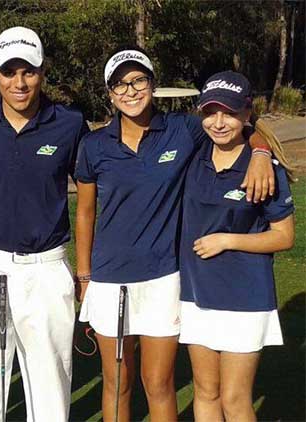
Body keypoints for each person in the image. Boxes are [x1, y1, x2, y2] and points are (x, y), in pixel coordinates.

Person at [74, 47, 275, 422]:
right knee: (117, 383)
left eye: (138, 81)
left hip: (164, 277)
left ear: (152, 84)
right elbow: (85, 212)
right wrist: (84, 275)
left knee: (159, 383)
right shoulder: (95, 145)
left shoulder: (183, 130)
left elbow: (236, 122)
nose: (130, 91)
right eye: (120, 84)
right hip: (107, 279)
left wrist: (261, 153)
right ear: (109, 93)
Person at [0, 26, 88, 422]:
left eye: (28, 71)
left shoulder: (68, 123)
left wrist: (257, 145)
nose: (20, 82)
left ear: (42, 71)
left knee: (50, 381)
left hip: (46, 265)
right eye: (10, 72)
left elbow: (94, 194)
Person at [179, 71, 295, 422]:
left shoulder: (264, 168)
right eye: (210, 112)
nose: (219, 122)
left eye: (228, 113)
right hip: (195, 294)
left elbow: (284, 236)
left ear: (247, 113)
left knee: (234, 399)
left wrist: (228, 240)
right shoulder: (195, 152)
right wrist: (260, 146)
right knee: (206, 393)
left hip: (245, 297)